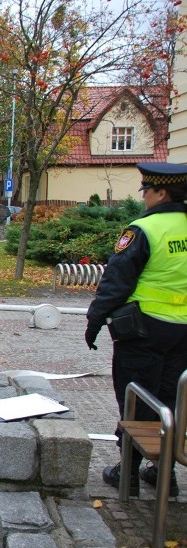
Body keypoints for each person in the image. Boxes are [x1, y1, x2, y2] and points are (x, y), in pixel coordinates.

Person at [86, 162, 187, 497]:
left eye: (146, 191)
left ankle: (127, 472)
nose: (143, 197)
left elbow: (117, 281)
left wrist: (95, 319)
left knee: (135, 399)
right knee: (172, 400)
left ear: (161, 192)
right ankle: (163, 472)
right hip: (183, 334)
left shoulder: (144, 229)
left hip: (144, 331)